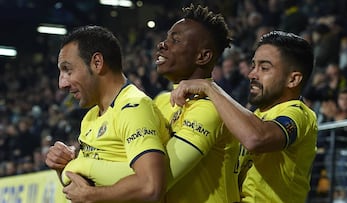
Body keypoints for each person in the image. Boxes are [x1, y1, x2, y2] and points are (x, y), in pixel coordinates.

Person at [171, 30, 318, 202]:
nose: (252, 74)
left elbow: (257, 138)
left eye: (264, 68)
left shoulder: (299, 113)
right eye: (253, 66)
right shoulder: (254, 117)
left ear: (293, 80)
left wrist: (209, 87)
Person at [45, 25, 169, 202]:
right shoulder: (90, 117)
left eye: (68, 70)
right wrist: (63, 167)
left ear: (97, 63)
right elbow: (82, 189)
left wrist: (90, 195)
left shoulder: (133, 107)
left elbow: (151, 187)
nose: (61, 83)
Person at [153, 4, 240, 203]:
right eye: (167, 38)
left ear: (203, 56)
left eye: (175, 40)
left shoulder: (211, 108)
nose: (163, 44)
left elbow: (155, 181)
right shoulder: (160, 101)